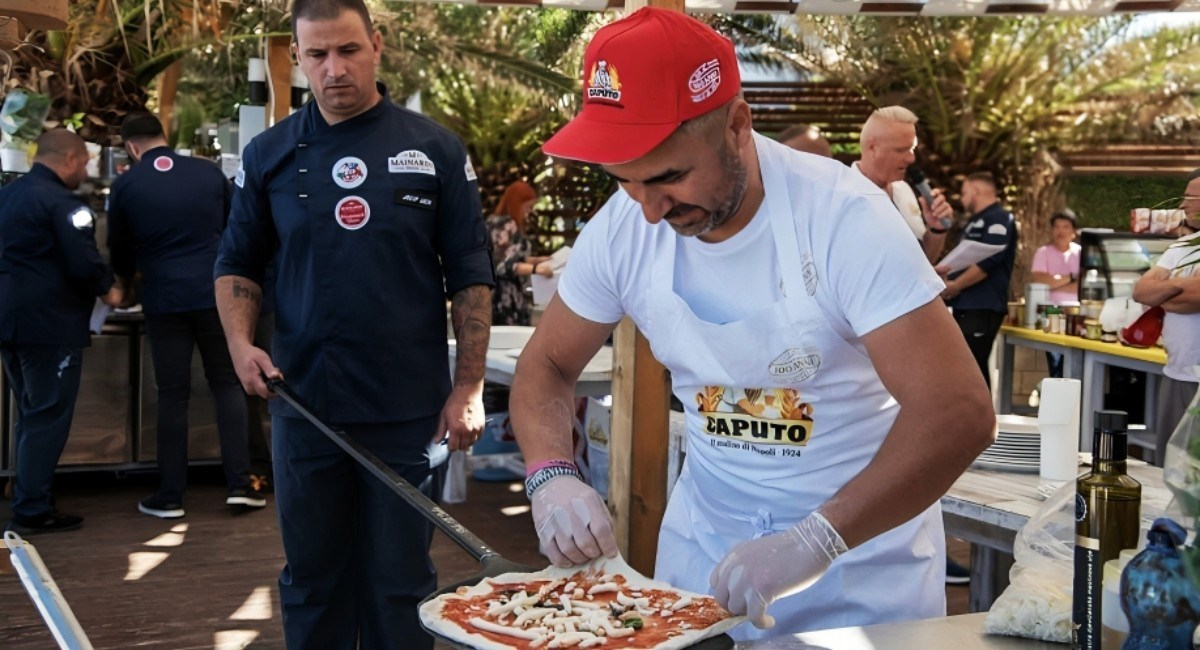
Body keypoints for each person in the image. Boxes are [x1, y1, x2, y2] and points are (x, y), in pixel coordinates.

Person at [509, 8, 994, 641]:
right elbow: (546, 366)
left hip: (856, 572)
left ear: (737, 124)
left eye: (670, 176)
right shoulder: (624, 229)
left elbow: (957, 411)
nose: (651, 211)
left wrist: (816, 538)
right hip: (699, 560)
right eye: (625, 182)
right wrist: (551, 475)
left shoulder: (845, 220)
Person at [212, 0, 494, 646]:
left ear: (377, 45)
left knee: (400, 580)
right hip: (303, 404)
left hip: (406, 411)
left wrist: (469, 387)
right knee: (313, 577)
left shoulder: (435, 150)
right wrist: (238, 343)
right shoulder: (269, 155)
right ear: (300, 57)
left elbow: (471, 275)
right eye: (316, 55)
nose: (333, 69)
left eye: (347, 50)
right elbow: (237, 264)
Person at [107, 112, 264, 519]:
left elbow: (119, 248)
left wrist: (124, 283)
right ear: (165, 136)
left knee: (172, 394)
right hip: (216, 294)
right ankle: (241, 485)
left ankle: (170, 495)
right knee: (227, 384)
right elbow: (237, 232)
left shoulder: (126, 184)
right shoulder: (209, 173)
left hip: (164, 298)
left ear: (131, 147)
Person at [0, 130, 123, 534]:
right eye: (85, 162)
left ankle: (27, 492)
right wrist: (110, 288)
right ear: (69, 158)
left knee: (30, 411)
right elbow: (82, 260)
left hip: (11, 320)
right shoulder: (64, 203)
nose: (86, 169)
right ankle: (33, 509)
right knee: (48, 414)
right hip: (48, 324)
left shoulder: (9, 195)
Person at [1133, 168, 1200, 464]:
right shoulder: (1183, 246)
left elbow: (1195, 300)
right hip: (1176, 373)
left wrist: (1166, 292)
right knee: (1170, 467)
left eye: (1191, 197)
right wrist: (1178, 286)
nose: (1184, 205)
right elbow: (1142, 291)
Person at [940, 172, 1018, 388]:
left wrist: (956, 285)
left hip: (982, 306)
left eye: (964, 192)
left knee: (973, 366)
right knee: (964, 367)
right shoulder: (976, 221)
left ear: (976, 191)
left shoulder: (999, 218)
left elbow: (988, 261)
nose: (962, 198)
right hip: (965, 305)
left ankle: (982, 420)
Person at [853, 106, 954, 264]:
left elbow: (923, 259)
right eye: (901, 150)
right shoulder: (846, 197)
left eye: (912, 149)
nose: (911, 159)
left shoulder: (903, 189)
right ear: (872, 147)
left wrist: (936, 229)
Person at [487, 180, 553, 326]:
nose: (528, 211)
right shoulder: (507, 224)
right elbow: (503, 265)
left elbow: (513, 256)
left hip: (507, 298)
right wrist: (536, 269)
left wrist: (536, 260)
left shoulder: (495, 222)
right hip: (505, 300)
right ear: (518, 203)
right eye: (527, 206)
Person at [1029, 208, 1081, 378]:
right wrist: (1071, 277)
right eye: (1057, 226)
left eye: (1066, 226)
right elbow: (1040, 282)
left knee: (1074, 361)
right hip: (1050, 311)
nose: (1061, 231)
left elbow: (1082, 286)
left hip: (1076, 313)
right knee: (1055, 361)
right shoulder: (1042, 253)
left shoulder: (1081, 253)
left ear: (1073, 231)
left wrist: (1054, 282)